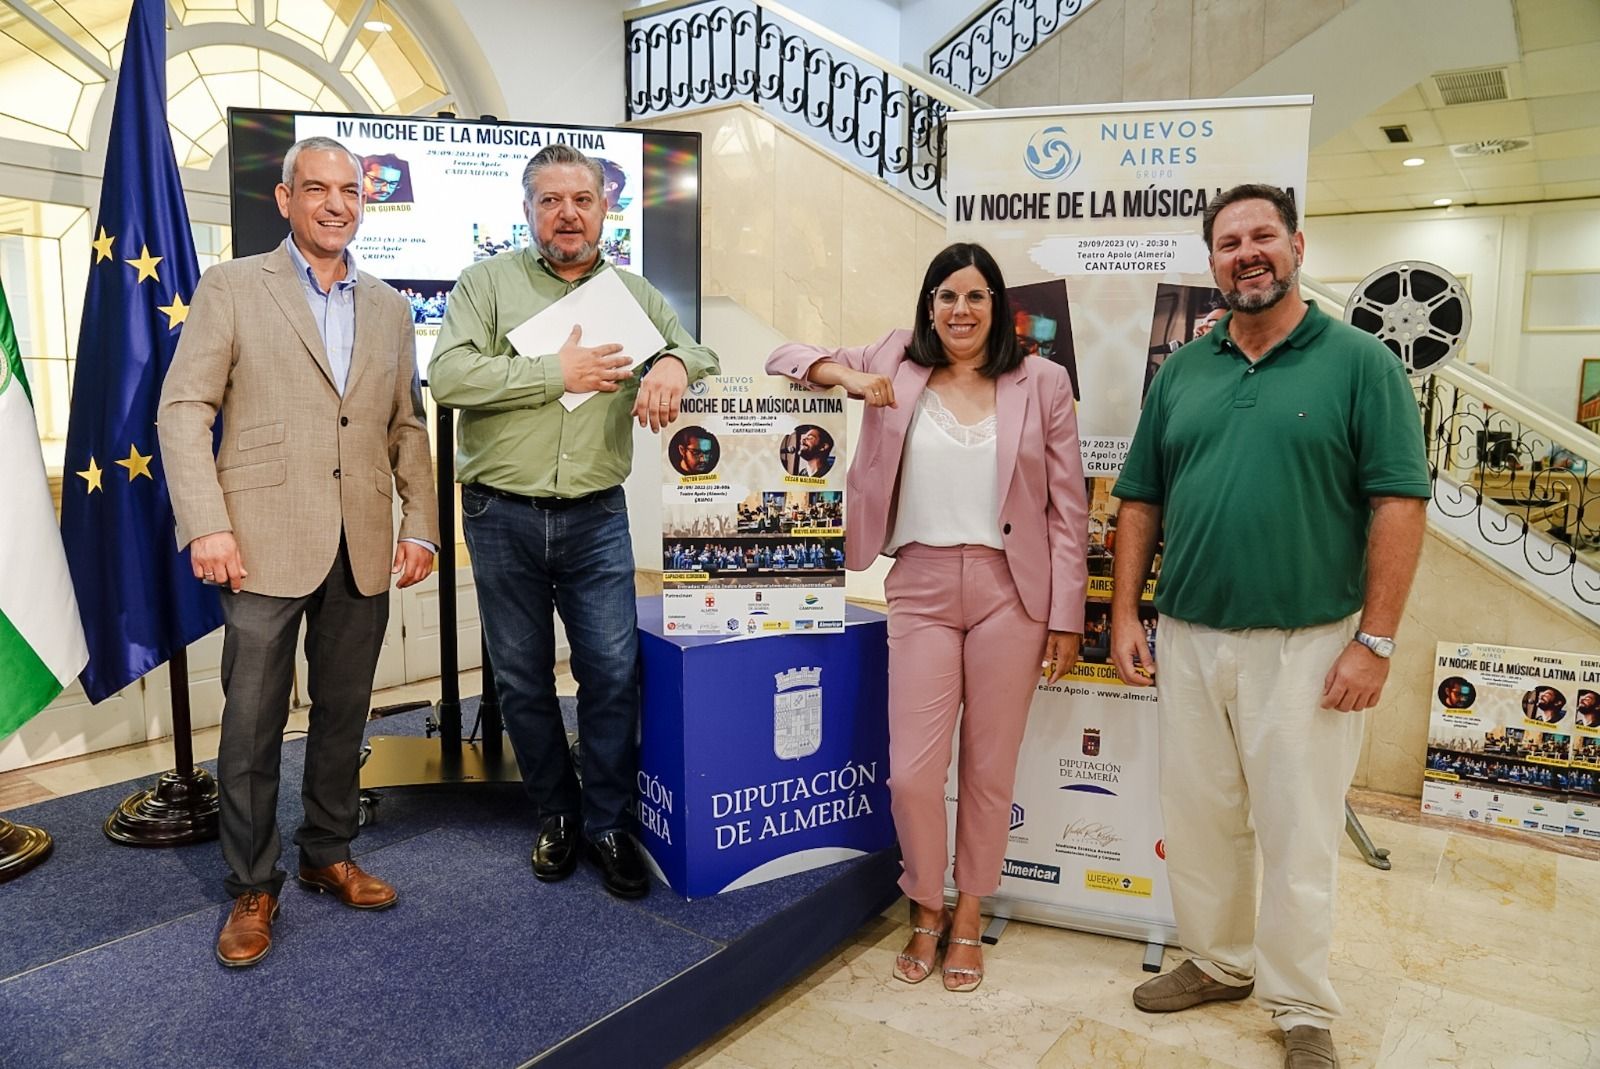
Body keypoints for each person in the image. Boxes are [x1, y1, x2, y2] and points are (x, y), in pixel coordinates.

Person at [1108, 183, 1430, 1069]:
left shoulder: (1362, 363)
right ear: (1210, 261)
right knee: (1202, 815)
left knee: (1298, 826)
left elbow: (1400, 503)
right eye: (1227, 242)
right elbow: (1140, 499)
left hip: (1310, 644)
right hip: (1190, 633)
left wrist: (1377, 639)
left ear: (1296, 244)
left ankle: (1299, 1006)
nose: (1245, 253)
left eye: (1261, 236)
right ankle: (1218, 960)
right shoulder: (1184, 369)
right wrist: (1128, 611)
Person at [767, 242, 1088, 993]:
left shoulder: (1041, 381)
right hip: (922, 582)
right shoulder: (895, 361)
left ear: (997, 306)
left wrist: (1066, 615)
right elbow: (785, 354)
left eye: (975, 297)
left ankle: (970, 912)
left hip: (1015, 592)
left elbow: (1069, 509)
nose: (960, 311)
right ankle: (925, 902)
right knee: (913, 772)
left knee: (987, 768)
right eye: (946, 296)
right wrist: (844, 376)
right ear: (929, 304)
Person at [159, 136, 439, 967]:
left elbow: (404, 424)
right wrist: (206, 521)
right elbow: (183, 409)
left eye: (349, 190)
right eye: (315, 189)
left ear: (363, 201)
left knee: (345, 713)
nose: (335, 204)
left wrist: (420, 521)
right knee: (250, 724)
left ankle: (327, 850)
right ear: (285, 201)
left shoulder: (389, 306)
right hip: (256, 541)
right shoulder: (233, 287)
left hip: (360, 540)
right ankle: (253, 883)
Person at [429, 144, 717, 900]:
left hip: (595, 517)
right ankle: (557, 811)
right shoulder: (484, 284)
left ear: (604, 209)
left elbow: (697, 345)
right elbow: (450, 376)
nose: (567, 214)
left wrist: (674, 365)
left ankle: (608, 822)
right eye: (550, 200)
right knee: (522, 679)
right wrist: (557, 372)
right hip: (500, 514)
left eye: (581, 200)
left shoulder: (633, 292)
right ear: (527, 212)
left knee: (613, 673)